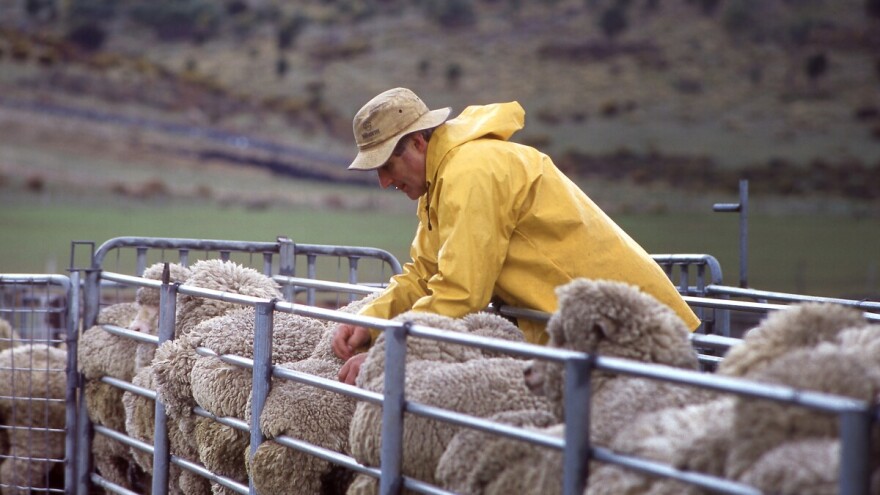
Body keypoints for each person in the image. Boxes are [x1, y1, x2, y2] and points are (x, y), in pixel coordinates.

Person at [332, 87, 699, 384]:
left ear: (417, 143)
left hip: (628, 331)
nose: (384, 182)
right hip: (590, 332)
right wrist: (370, 322)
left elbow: (461, 291)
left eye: (387, 165)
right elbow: (425, 274)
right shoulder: (442, 181)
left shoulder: (471, 173)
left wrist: (388, 352)